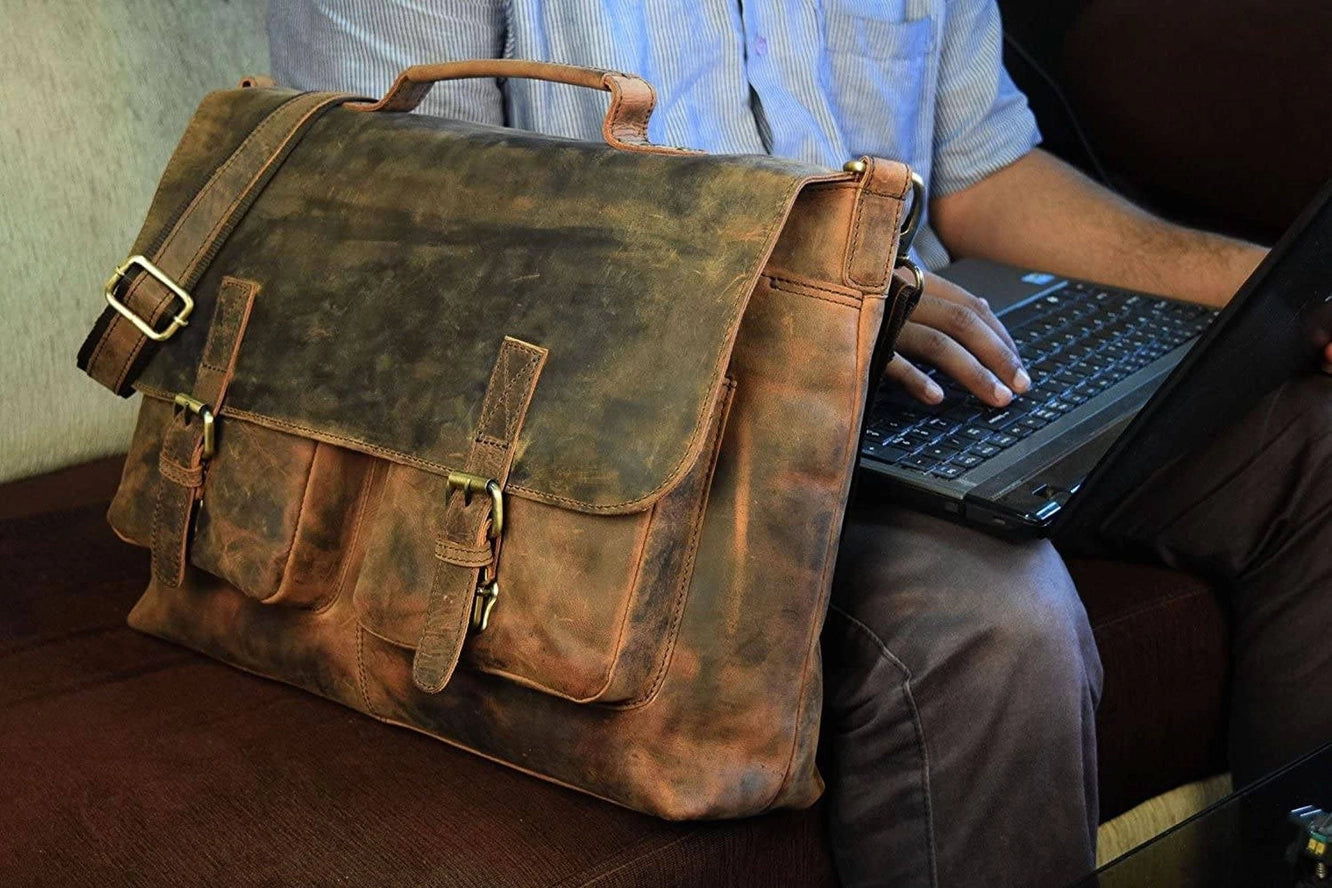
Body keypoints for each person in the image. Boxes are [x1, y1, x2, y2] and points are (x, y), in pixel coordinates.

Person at [268, 3, 1332, 885]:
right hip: (629, 429)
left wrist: (1271, 286)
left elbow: (984, 175)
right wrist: (810, 298)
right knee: (1000, 629)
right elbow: (420, 248)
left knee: (1316, 454)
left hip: (918, 361)